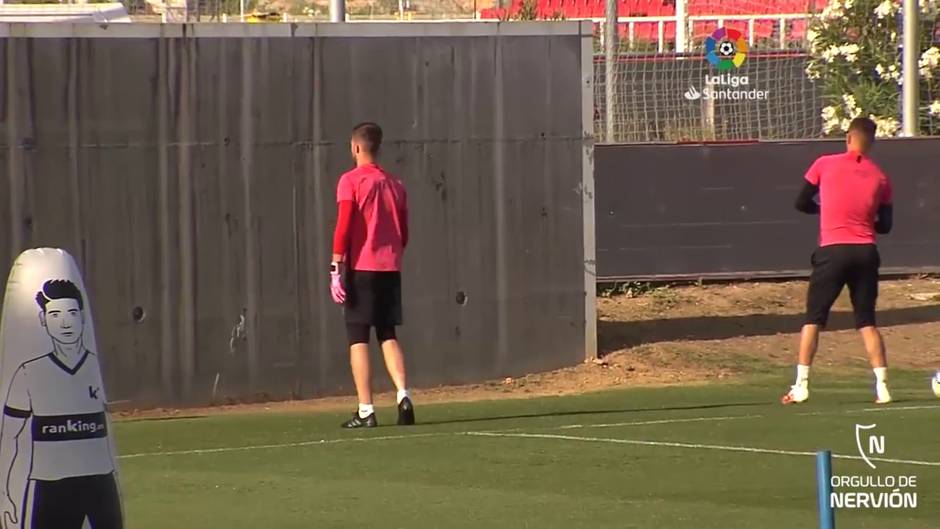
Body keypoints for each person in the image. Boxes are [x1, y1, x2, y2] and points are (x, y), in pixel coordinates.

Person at [782, 117, 894, 405]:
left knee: (813, 319)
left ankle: (801, 386)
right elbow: (886, 226)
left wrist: (825, 208)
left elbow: (800, 202)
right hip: (866, 251)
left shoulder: (824, 164)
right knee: (867, 321)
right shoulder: (881, 177)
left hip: (833, 249)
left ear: (848, 137)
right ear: (872, 142)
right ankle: (882, 387)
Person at [0, 279, 123, 529]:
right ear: (43, 320)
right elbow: (9, 437)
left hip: (101, 484)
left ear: (83, 318)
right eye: (55, 314)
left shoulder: (98, 369)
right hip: (52, 486)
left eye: (72, 313)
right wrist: (5, 495)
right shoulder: (28, 373)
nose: (65, 323)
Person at [330, 122, 415, 428]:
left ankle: (366, 409)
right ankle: (404, 396)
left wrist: (335, 268)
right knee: (388, 333)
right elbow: (403, 233)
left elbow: (344, 226)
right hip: (390, 267)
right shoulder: (396, 184)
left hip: (361, 268)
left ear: (355, 147)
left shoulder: (350, 181)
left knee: (357, 337)